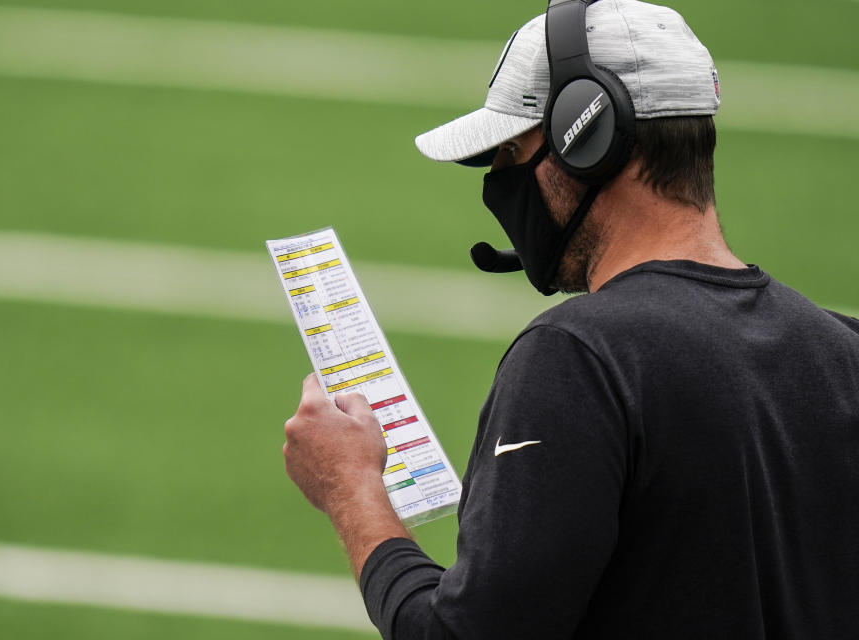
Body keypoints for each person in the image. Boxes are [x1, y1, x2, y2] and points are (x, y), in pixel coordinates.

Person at [282, 0, 859, 637]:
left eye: (509, 152)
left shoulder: (581, 360)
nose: (501, 181)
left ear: (588, 136)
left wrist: (351, 488)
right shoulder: (844, 352)